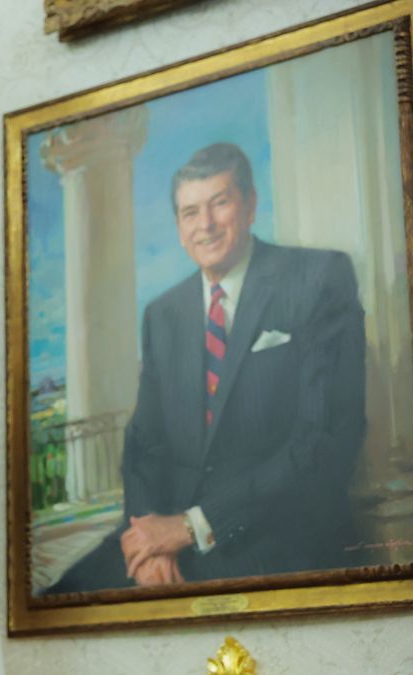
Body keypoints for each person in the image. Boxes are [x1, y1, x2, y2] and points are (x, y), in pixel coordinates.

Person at [48, 142, 365, 593]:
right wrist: (147, 541)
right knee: (57, 602)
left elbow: (321, 442)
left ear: (251, 205)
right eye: (190, 212)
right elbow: (143, 446)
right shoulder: (163, 314)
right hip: (169, 540)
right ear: (179, 227)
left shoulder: (317, 279)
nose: (206, 225)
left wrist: (193, 526)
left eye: (220, 203)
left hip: (274, 535)